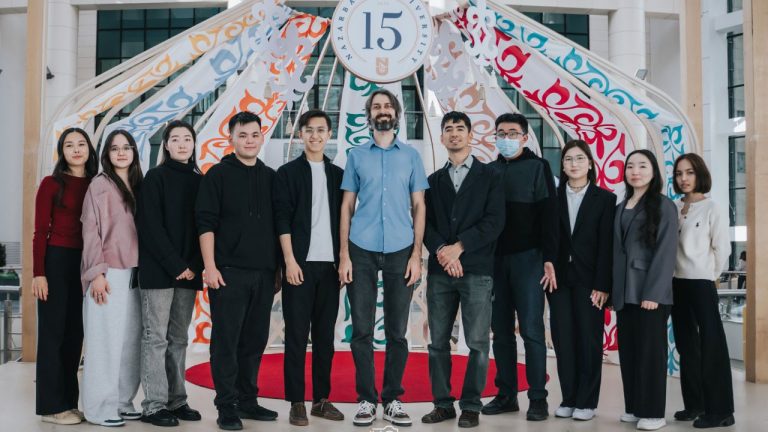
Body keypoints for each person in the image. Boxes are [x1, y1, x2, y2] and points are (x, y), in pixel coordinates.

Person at [338, 88, 429, 427]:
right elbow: (347, 206)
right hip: (360, 248)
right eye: (376, 106)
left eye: (387, 105)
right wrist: (344, 254)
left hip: (401, 249)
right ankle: (365, 399)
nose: (382, 110)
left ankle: (392, 399)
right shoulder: (356, 156)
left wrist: (417, 255)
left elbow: (419, 206)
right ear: (369, 115)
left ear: (396, 113)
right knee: (361, 330)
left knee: (397, 332)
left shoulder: (411, 156)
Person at [195, 111, 281, 431]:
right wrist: (210, 266)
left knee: (254, 341)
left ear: (261, 137)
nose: (249, 140)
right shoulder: (217, 175)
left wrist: (277, 269)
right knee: (226, 343)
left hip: (264, 274)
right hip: (228, 273)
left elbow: (278, 226)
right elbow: (205, 223)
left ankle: (248, 399)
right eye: (242, 135)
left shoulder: (271, 177)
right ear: (231, 138)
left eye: (254, 135)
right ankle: (226, 405)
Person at [421, 111, 505, 428]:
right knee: (437, 343)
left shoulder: (490, 176)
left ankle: (471, 405)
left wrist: (460, 247)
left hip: (477, 270)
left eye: (460, 128)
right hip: (440, 272)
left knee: (478, 343)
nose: (454, 133)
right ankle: (442, 404)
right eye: (448, 129)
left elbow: (495, 221)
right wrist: (443, 251)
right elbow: (425, 224)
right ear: (442, 137)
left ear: (470, 135)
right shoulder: (433, 181)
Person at [482, 113, 558, 421]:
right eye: (501, 133)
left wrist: (549, 258)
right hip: (495, 261)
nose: (506, 138)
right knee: (500, 331)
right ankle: (506, 394)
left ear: (525, 138)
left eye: (512, 133)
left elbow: (550, 216)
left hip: (529, 259)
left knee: (531, 330)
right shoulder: (488, 171)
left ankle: (538, 398)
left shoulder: (539, 167)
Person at [273, 109, 345, 426]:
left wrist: (344, 260)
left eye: (321, 130)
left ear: (329, 135)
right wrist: (289, 261)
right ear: (300, 134)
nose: (315, 135)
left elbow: (346, 221)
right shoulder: (287, 173)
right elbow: (282, 219)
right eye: (309, 130)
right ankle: (297, 402)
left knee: (325, 338)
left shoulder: (339, 175)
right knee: (296, 337)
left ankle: (321, 400)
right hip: (299, 267)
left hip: (330, 269)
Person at [136, 120, 203, 427]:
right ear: (166, 145)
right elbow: (150, 226)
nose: (181, 144)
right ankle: (153, 405)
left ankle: (177, 400)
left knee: (179, 338)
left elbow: (205, 227)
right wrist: (177, 265)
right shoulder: (155, 177)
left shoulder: (201, 180)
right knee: (156, 338)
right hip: (159, 272)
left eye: (187, 138)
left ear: (193, 143)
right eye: (175, 139)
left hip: (190, 272)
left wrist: (193, 266)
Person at [31, 127, 97, 425]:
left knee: (74, 336)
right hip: (56, 261)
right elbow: (39, 232)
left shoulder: (96, 184)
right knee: (53, 335)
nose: (76, 149)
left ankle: (69, 403)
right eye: (69, 145)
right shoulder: (51, 184)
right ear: (62, 152)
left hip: (85, 262)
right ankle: (51, 407)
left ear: (89, 149)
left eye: (81, 144)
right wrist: (39, 273)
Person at [80, 129, 144, 427]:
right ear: (106, 153)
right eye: (115, 148)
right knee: (104, 342)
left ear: (134, 152)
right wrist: (96, 273)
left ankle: (122, 401)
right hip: (108, 273)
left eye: (126, 147)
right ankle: (99, 408)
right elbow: (90, 230)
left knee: (129, 342)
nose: (121, 152)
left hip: (136, 273)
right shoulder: (99, 185)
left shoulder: (140, 184)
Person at [548, 140, 615, 421]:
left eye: (579, 158)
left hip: (591, 280)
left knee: (589, 340)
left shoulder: (605, 199)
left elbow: (607, 246)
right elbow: (547, 237)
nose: (573, 164)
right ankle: (569, 398)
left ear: (589, 163)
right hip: (558, 279)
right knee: (563, 340)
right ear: (562, 166)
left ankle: (587, 402)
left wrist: (603, 285)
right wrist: (547, 262)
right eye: (568, 159)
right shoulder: (552, 197)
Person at [613, 149, 678, 431]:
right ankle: (634, 407)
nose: (635, 171)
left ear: (653, 171)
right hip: (624, 292)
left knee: (650, 355)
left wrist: (653, 293)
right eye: (630, 166)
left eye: (642, 166)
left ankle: (653, 412)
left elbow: (666, 252)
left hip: (650, 292)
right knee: (629, 352)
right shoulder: (621, 206)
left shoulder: (663, 205)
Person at [670, 153, 735, 429]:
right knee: (687, 346)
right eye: (679, 173)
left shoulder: (712, 208)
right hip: (675, 283)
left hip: (701, 283)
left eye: (690, 172)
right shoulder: (673, 207)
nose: (684, 178)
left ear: (700, 175)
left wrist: (709, 276)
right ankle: (695, 404)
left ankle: (721, 411)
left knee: (712, 346)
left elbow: (723, 250)